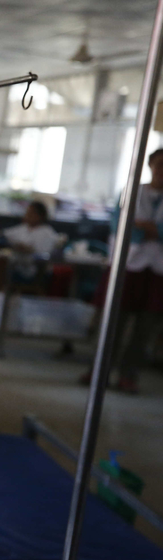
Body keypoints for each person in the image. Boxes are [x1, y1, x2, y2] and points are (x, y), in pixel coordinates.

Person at [83, 147, 163, 394]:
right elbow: (121, 225)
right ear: (150, 166)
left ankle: (129, 375)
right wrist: (150, 230)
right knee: (114, 322)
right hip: (128, 265)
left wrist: (149, 228)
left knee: (145, 327)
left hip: (158, 270)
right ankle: (100, 371)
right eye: (159, 164)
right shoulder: (131, 191)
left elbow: (144, 228)